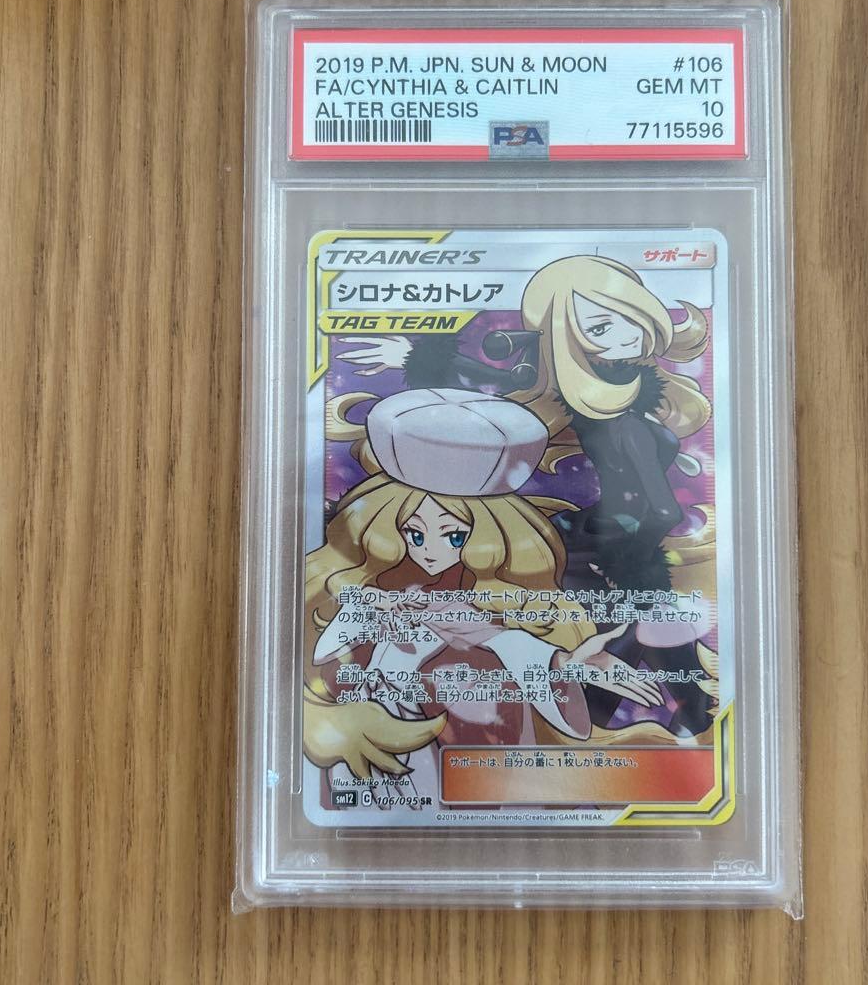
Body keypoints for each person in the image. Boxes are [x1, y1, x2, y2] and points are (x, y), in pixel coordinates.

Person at [335, 256, 718, 737]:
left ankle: (647, 709)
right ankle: (628, 709)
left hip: (615, 537)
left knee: (636, 617)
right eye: (600, 327)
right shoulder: (606, 410)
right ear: (567, 336)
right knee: (626, 619)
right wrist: (418, 359)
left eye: (631, 317)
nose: (624, 336)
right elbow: (661, 506)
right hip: (606, 539)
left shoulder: (628, 389)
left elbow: (660, 508)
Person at [303, 388, 671, 806]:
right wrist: (374, 608)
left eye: (453, 536)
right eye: (415, 534)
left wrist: (567, 664)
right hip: (372, 756)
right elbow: (326, 651)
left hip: (457, 760)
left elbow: (507, 643)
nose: (429, 550)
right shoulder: (369, 598)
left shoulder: (474, 608)